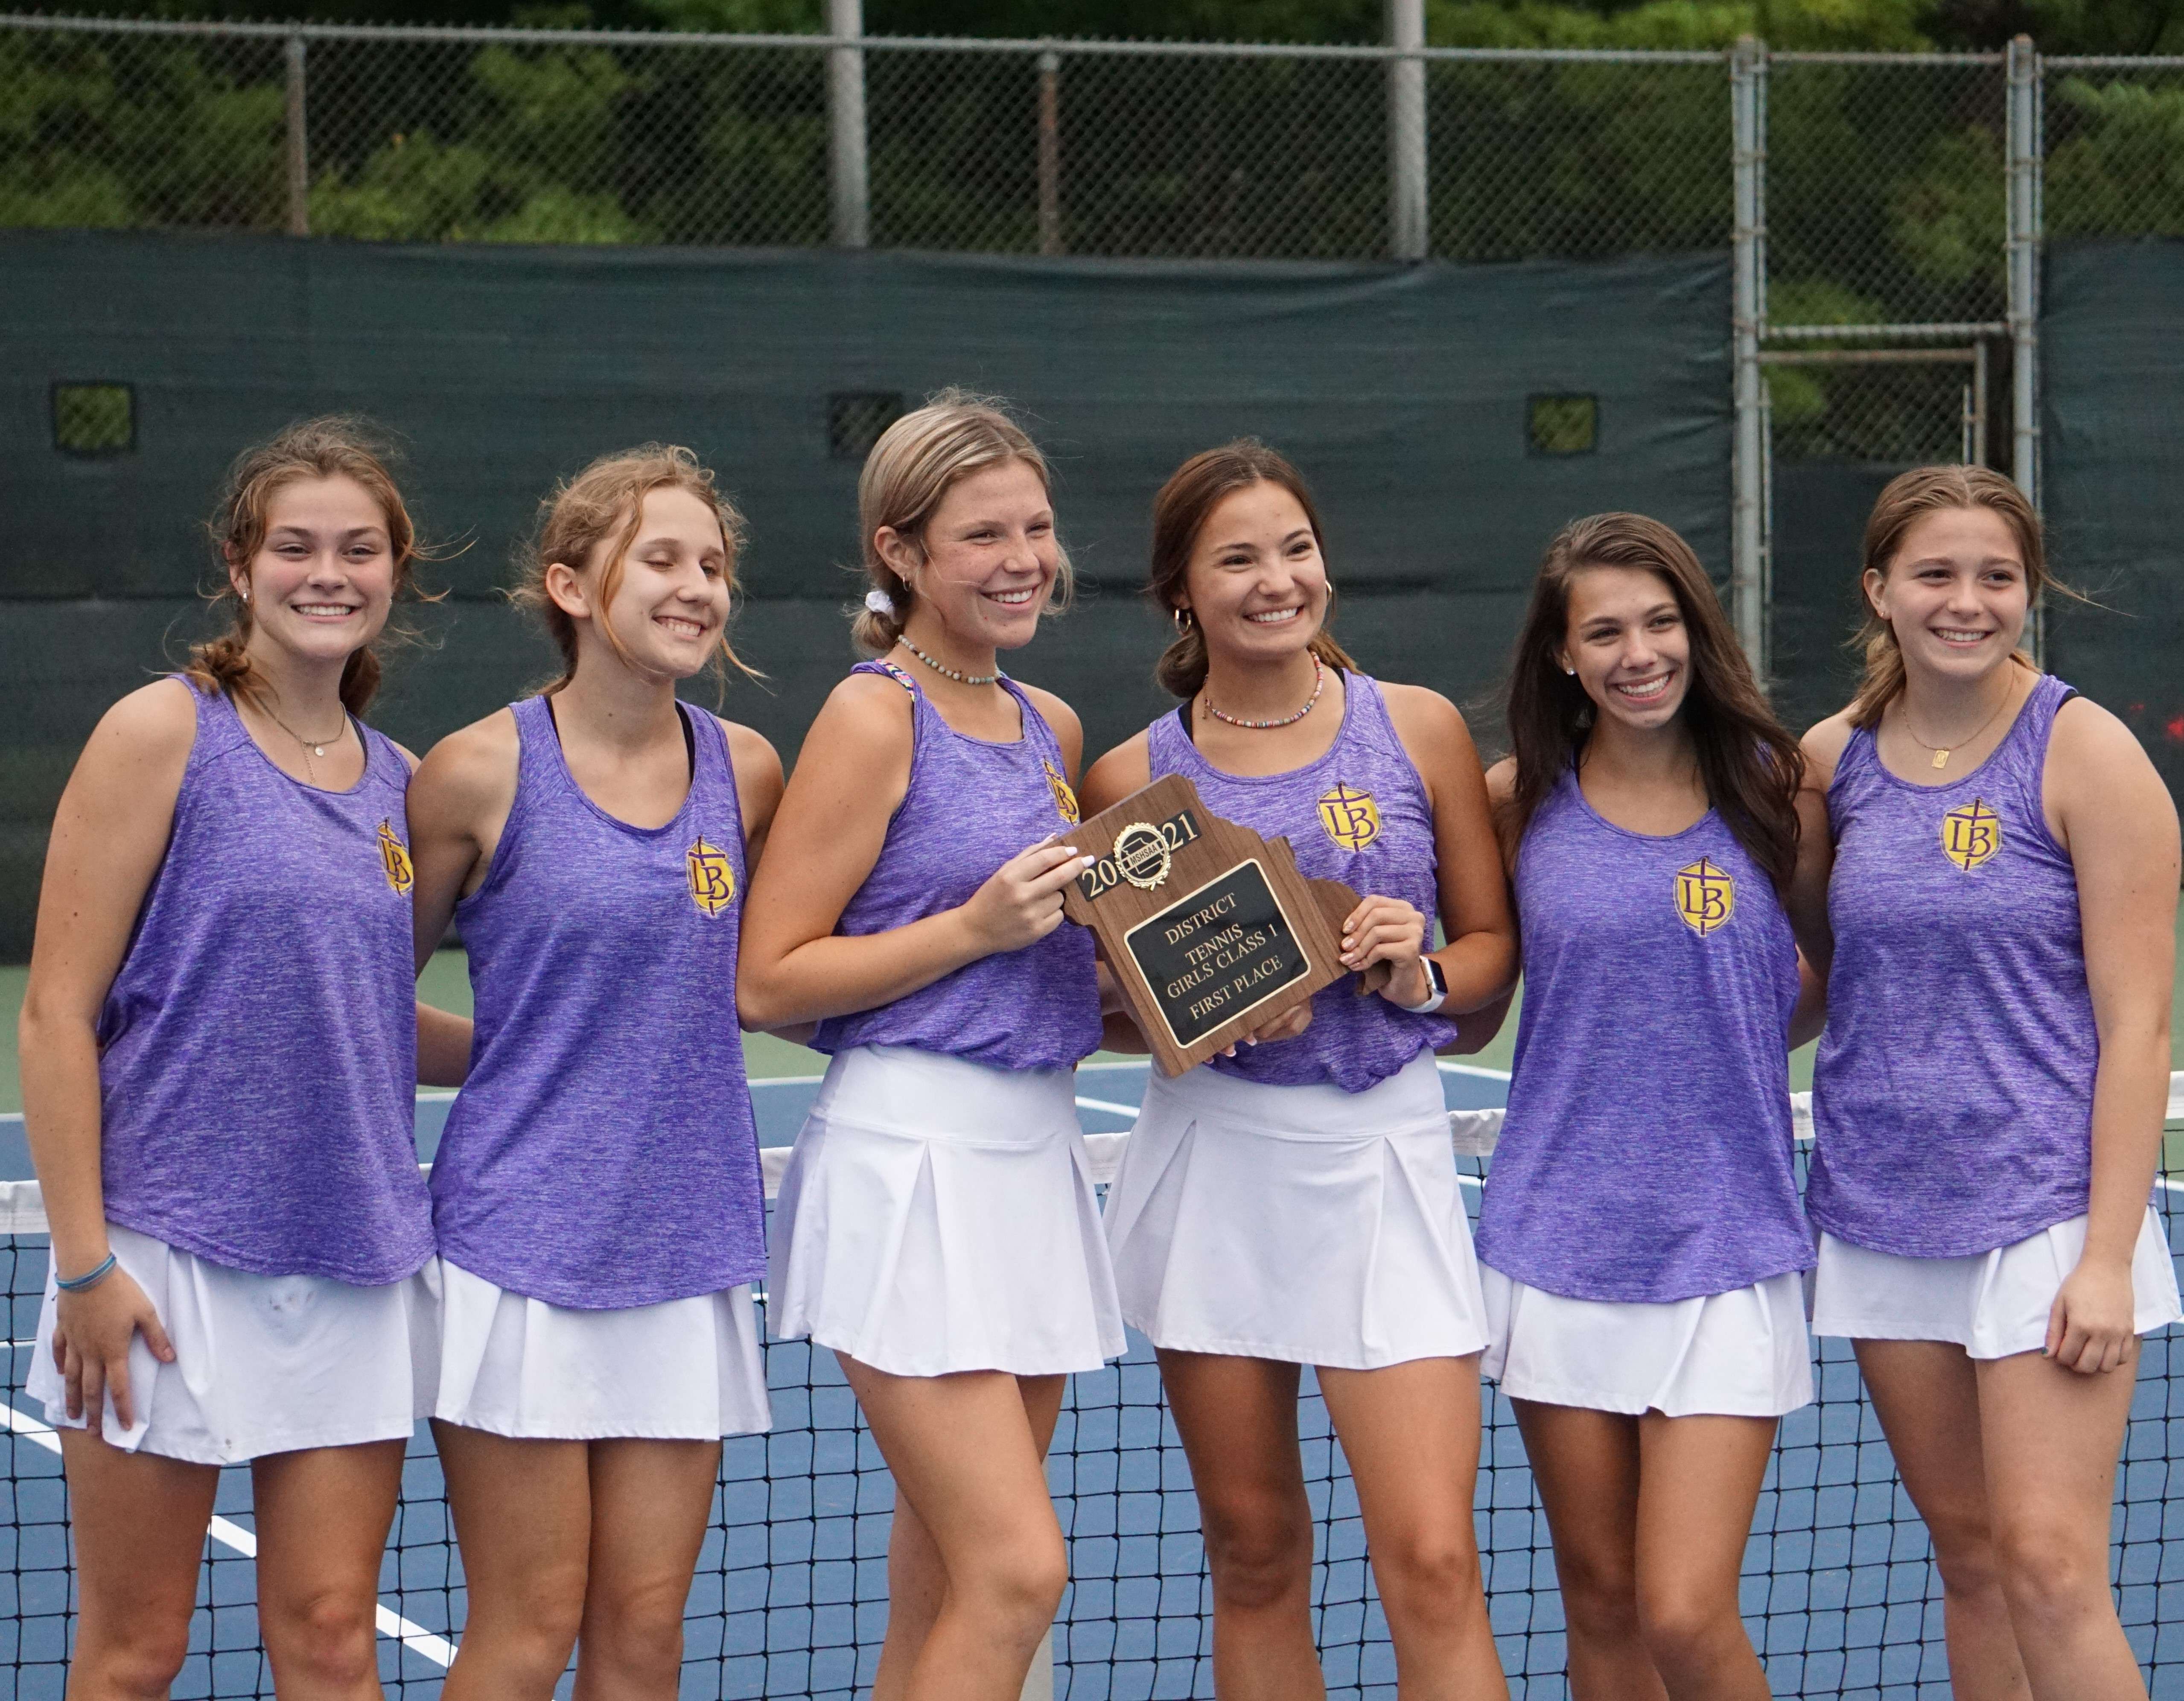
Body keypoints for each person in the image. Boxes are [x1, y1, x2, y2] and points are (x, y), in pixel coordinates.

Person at [17, 417, 466, 1698]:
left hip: (356, 1265)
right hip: (160, 1265)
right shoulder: (163, 732)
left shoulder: (406, 784)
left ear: (398, 571)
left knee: (331, 1640)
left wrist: (535, 1059)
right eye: (296, 547)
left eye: (359, 549)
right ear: (240, 563)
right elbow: (56, 1014)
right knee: (135, 1652)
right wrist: (88, 1262)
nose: (328, 574)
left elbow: (367, 1018)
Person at [1081, 439, 1517, 1698]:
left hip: (1383, 1153)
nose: (1277, 579)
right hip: (1213, 1161)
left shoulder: (1417, 726)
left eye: (1296, 548)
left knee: (1432, 1556)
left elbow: (1491, 952)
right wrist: (1183, 1015)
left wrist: (1417, 966)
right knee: (1256, 1549)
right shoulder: (1130, 782)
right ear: (1182, 591)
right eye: (1238, 558)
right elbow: (1116, 1011)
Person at [737, 392, 1119, 1701]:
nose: (1023, 559)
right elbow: (771, 977)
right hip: (914, 1165)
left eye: (1038, 528)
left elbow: (1044, 965)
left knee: (953, 1584)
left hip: (1035, 1153)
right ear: (900, 551)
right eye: (983, 536)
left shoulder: (1050, 726)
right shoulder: (872, 715)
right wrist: (970, 926)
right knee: (1020, 1571)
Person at [402, 446, 783, 1701]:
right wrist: (510, 1062)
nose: (694, 587)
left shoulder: (751, 770)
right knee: (528, 1625)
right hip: (518, 1251)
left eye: (713, 564)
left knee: (644, 1631)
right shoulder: (472, 773)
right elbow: (373, 1004)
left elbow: (785, 969)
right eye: (659, 559)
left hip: (688, 1246)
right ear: (570, 585)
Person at [1800, 465, 2179, 1701]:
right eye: (1936, 574)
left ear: (2030, 591)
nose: (1968, 602)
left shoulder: (2089, 753)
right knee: (1969, 1558)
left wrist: (2109, 1256)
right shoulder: (1831, 761)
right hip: (1883, 1211)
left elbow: (2139, 1029)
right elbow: (1807, 975)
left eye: (1997, 577)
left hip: (2049, 1217)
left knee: (2051, 1566)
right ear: (1880, 589)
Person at [1470, 513, 1827, 1700]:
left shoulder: (1779, 789)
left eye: (1660, 622)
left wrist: (1711, 1033)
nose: (1639, 652)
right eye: (1605, 630)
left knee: (1685, 1608)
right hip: (1556, 1240)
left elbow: (1819, 976)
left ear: (1697, 629)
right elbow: (1472, 990)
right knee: (1605, 1608)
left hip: (1728, 1245)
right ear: (1564, 653)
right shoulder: (1516, 802)